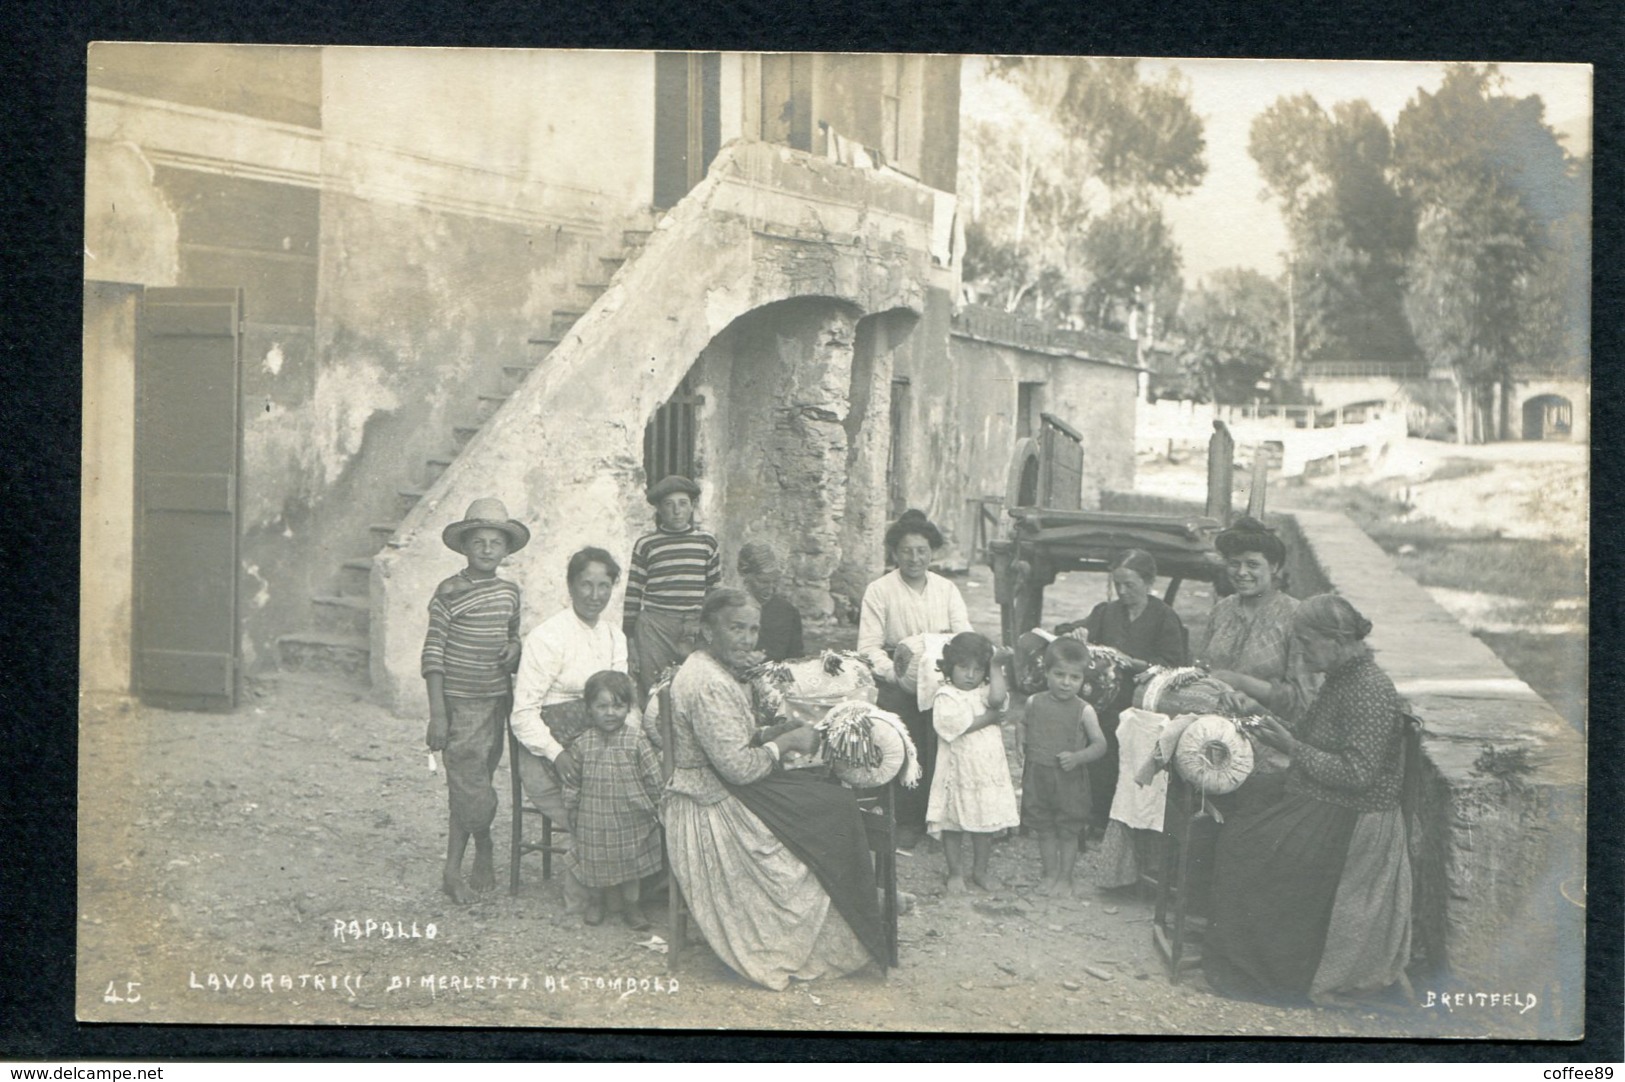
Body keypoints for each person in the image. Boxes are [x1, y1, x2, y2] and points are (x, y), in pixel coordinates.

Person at [662, 590, 887, 990]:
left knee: (824, 796)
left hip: (724, 787)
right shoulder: (707, 682)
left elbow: (733, 739)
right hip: (712, 804)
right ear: (708, 630)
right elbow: (739, 767)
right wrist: (784, 744)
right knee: (832, 807)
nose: (747, 639)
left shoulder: (710, 668)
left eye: (752, 629)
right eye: (736, 628)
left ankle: (851, 904)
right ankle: (839, 919)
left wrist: (774, 732)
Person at [1204, 595, 1412, 1006]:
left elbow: (1358, 774)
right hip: (1324, 798)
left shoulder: (1368, 688)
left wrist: (1291, 747)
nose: (1300, 651)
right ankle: (1239, 951)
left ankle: (1271, 972)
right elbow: (1315, 736)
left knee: (1244, 844)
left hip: (1352, 817)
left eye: (1306, 642)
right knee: (1235, 804)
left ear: (1336, 640)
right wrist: (1262, 717)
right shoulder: (1342, 677)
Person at [421, 498, 527, 904]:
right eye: (478, 541)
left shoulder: (509, 593)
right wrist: (437, 714)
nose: (486, 549)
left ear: (506, 549)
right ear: (465, 547)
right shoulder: (448, 592)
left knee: (475, 781)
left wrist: (515, 648)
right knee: (470, 786)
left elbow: (514, 634)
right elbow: (432, 653)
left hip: (495, 701)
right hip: (459, 703)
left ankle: (479, 847)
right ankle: (458, 867)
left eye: (495, 542)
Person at [857, 509, 973, 848]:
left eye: (922, 550)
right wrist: (893, 673)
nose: (914, 558)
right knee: (905, 747)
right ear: (894, 553)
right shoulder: (879, 590)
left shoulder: (946, 589)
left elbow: (964, 634)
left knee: (944, 744)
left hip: (942, 681)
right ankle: (904, 820)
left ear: (932, 552)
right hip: (899, 682)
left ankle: (939, 818)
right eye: (906, 550)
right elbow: (868, 646)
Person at [1066, 548, 1188, 832]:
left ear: (1148, 583)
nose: (1121, 591)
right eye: (1117, 584)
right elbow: (1081, 632)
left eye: (1129, 585)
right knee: (1099, 745)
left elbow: (1175, 666)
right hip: (1106, 701)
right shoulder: (1106, 612)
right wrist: (1079, 633)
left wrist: (1136, 664)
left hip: (1142, 703)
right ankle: (1096, 818)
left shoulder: (1164, 617)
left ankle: (1123, 821)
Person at [510, 547, 631, 823]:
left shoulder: (614, 636)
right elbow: (523, 714)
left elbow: (622, 700)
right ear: (570, 585)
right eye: (586, 585)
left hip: (603, 735)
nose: (595, 595)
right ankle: (603, 850)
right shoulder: (548, 636)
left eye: (604, 586)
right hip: (552, 748)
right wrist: (557, 754)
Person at [563, 671, 663, 930]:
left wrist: (659, 805)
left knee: (631, 864)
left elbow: (653, 776)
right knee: (594, 863)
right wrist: (572, 807)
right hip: (593, 818)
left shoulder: (637, 739)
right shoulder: (583, 743)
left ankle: (632, 906)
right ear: (589, 709)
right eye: (602, 706)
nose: (610, 713)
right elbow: (573, 780)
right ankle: (597, 902)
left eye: (618, 706)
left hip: (630, 816)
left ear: (628, 708)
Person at [927, 632, 1021, 894]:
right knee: (953, 822)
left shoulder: (983, 692)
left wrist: (996, 666)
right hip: (957, 772)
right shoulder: (946, 695)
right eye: (963, 668)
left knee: (984, 822)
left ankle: (980, 871)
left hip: (985, 770)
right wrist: (991, 719)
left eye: (978, 669)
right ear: (950, 667)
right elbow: (956, 726)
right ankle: (955, 872)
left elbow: (998, 701)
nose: (970, 675)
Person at [1194, 516, 1313, 721]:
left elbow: (1304, 698)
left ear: (1274, 567)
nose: (1241, 572)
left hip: (1270, 731)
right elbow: (1202, 669)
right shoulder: (1221, 610)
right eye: (1234, 564)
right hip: (1211, 724)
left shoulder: (1296, 616)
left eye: (1252, 564)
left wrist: (1240, 682)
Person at [1021, 636, 1108, 896]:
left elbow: (1100, 745)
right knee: (1044, 829)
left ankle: (1065, 878)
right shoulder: (1034, 702)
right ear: (1046, 672)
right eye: (1059, 674)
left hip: (1069, 780)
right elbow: (1023, 724)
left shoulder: (1085, 710)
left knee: (1068, 830)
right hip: (1038, 777)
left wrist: (1078, 757)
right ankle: (1049, 874)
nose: (1066, 683)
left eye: (1074, 678)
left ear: (1083, 680)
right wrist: (1020, 742)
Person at [624, 475, 722, 701]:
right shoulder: (647, 544)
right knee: (655, 692)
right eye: (669, 504)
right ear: (658, 509)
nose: (676, 511)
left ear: (692, 506)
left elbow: (714, 593)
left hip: (694, 626)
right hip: (655, 628)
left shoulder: (707, 543)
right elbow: (633, 594)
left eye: (683, 503)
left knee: (694, 689)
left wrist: (708, 630)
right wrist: (630, 640)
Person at [738, 541, 803, 661]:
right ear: (744, 574)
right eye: (763, 581)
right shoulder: (725, 608)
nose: (771, 589)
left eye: (776, 581)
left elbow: (796, 659)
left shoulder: (787, 612)